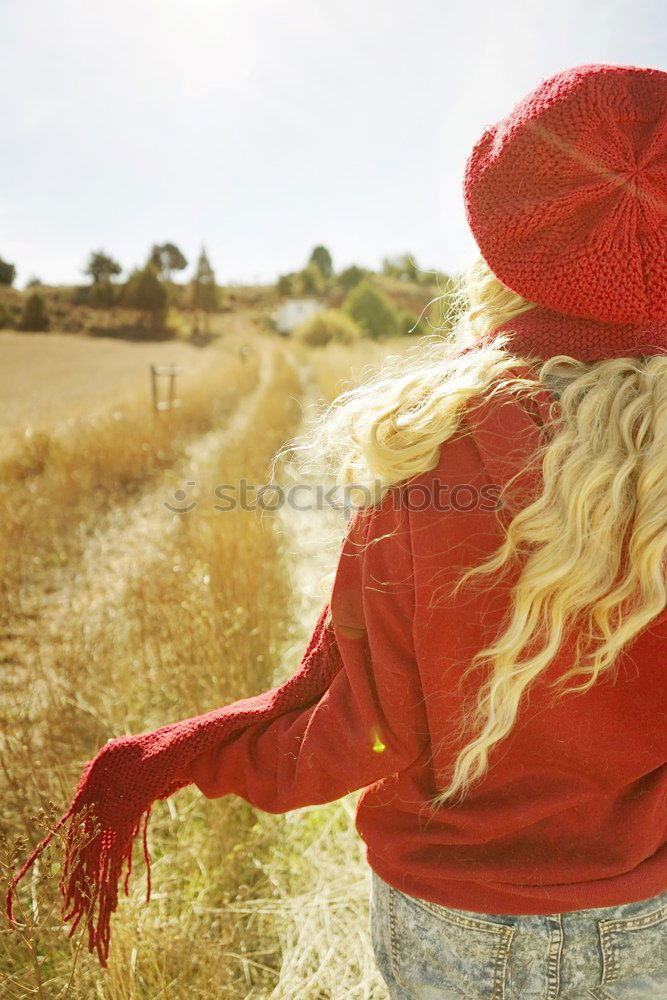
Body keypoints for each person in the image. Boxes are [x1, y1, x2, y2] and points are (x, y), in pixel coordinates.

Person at [7, 61, 667, 997]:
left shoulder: (434, 456)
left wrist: (196, 756)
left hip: (454, 925)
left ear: (508, 243)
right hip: (650, 916)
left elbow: (363, 731)